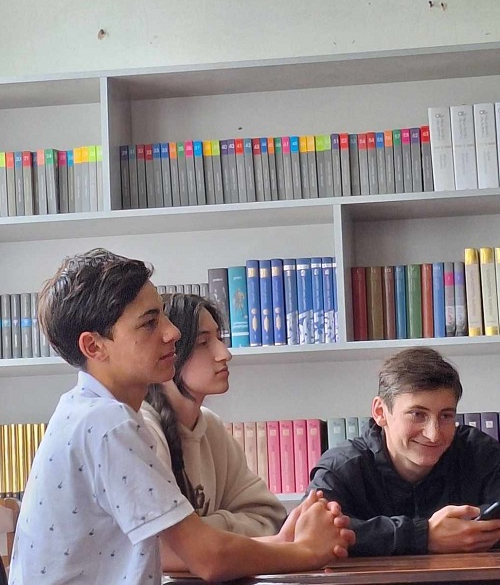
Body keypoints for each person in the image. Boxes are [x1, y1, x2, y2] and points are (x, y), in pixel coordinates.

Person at [9, 249, 355, 584]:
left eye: (163, 315)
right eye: (149, 323)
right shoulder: (107, 423)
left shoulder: (87, 410)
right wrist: (307, 551)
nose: (172, 332)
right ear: (94, 346)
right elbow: (207, 558)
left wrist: (281, 544)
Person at [308, 346, 500, 556]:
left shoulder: (481, 453)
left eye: (446, 416)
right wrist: (423, 535)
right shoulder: (341, 468)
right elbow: (309, 534)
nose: (434, 434)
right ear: (380, 412)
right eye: (417, 414)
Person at [142, 292, 287, 545]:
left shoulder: (211, 427)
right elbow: (159, 544)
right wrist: (209, 533)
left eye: (219, 339)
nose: (224, 354)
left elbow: (270, 518)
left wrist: (207, 527)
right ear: (168, 351)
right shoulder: (142, 430)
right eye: (203, 343)